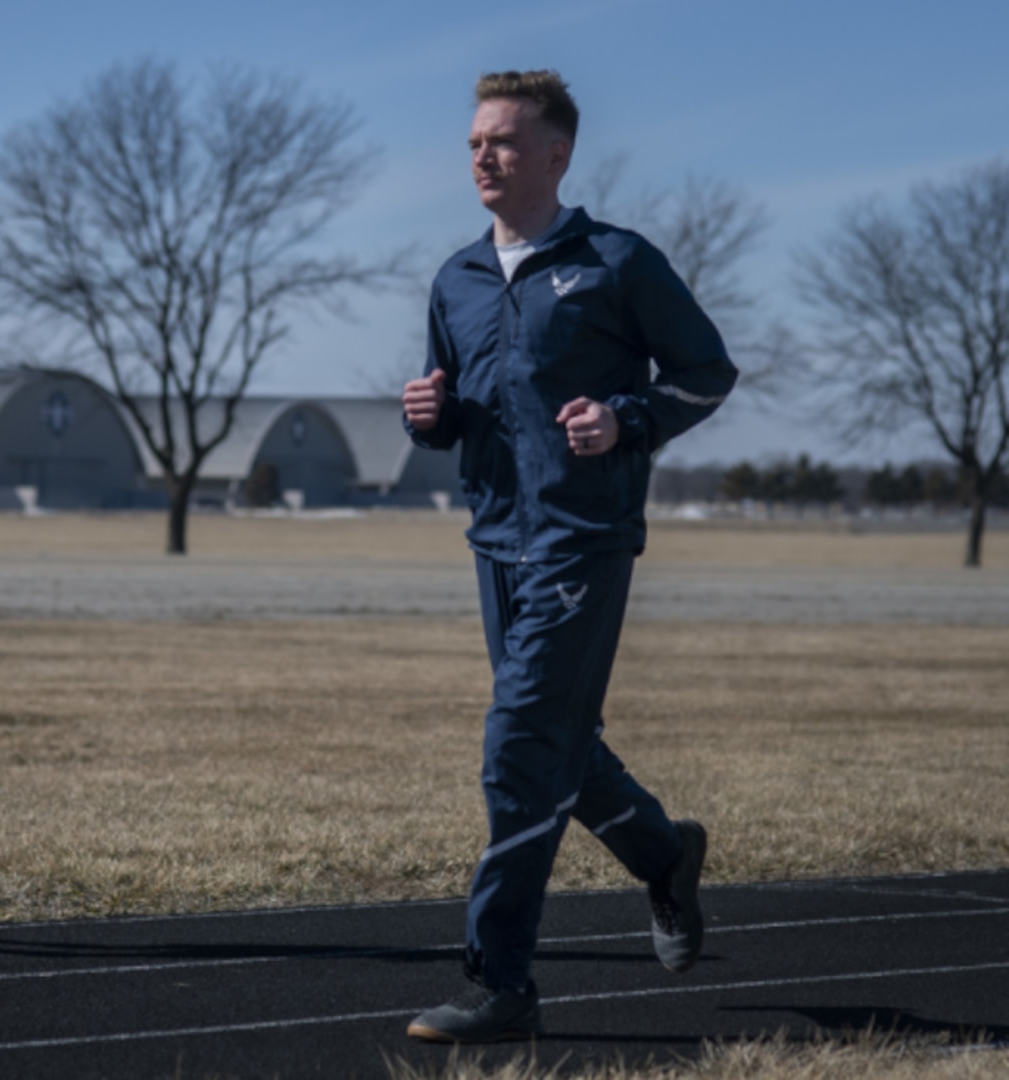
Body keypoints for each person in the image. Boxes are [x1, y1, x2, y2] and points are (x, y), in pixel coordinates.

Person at [401, 71, 738, 1043]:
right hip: (494, 544)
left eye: (502, 141)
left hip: (582, 543)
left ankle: (499, 982)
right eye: (472, 141)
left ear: (555, 155)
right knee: (560, 746)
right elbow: (459, 411)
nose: (481, 156)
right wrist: (428, 419)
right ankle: (662, 855)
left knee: (515, 748)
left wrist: (624, 417)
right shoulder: (454, 279)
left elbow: (704, 371)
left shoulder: (615, 263)